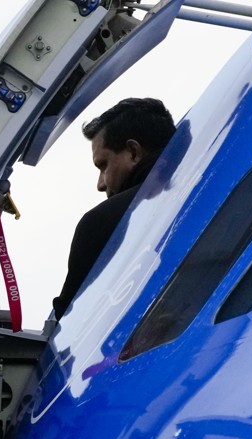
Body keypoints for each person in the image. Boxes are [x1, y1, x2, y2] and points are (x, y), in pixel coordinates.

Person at [53, 97, 176, 320]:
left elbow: (69, 321)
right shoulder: (207, 186)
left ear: (133, 152)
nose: (100, 184)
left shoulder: (100, 222)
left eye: (103, 165)